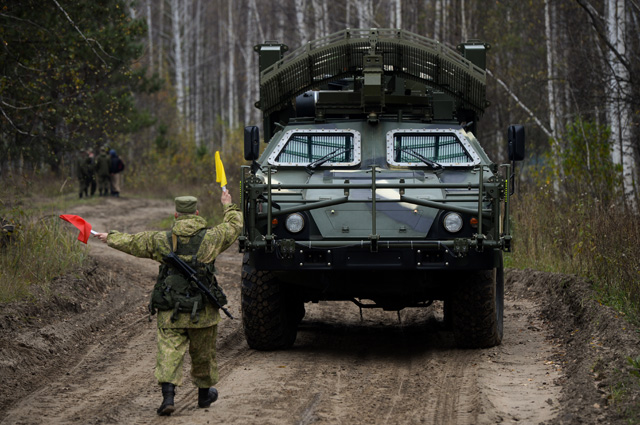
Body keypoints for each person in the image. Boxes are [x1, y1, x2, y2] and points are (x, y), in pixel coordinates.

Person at [94, 192, 242, 415]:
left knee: (169, 352)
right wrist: (227, 205)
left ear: (176, 215)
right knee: (203, 354)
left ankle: (168, 398)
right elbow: (234, 225)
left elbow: (133, 242)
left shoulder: (161, 239)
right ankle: (204, 396)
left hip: (171, 310)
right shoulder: (212, 237)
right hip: (203, 310)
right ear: (197, 213)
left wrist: (109, 237)